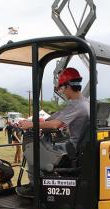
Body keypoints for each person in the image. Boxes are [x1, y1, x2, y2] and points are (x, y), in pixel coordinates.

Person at [16, 67, 89, 197]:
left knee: (33, 150)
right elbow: (57, 116)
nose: (63, 92)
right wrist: (39, 122)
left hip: (72, 149)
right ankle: (45, 181)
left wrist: (31, 125)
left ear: (68, 86)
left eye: (62, 89)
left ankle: (35, 188)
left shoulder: (77, 105)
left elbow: (55, 124)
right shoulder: (84, 103)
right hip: (79, 147)